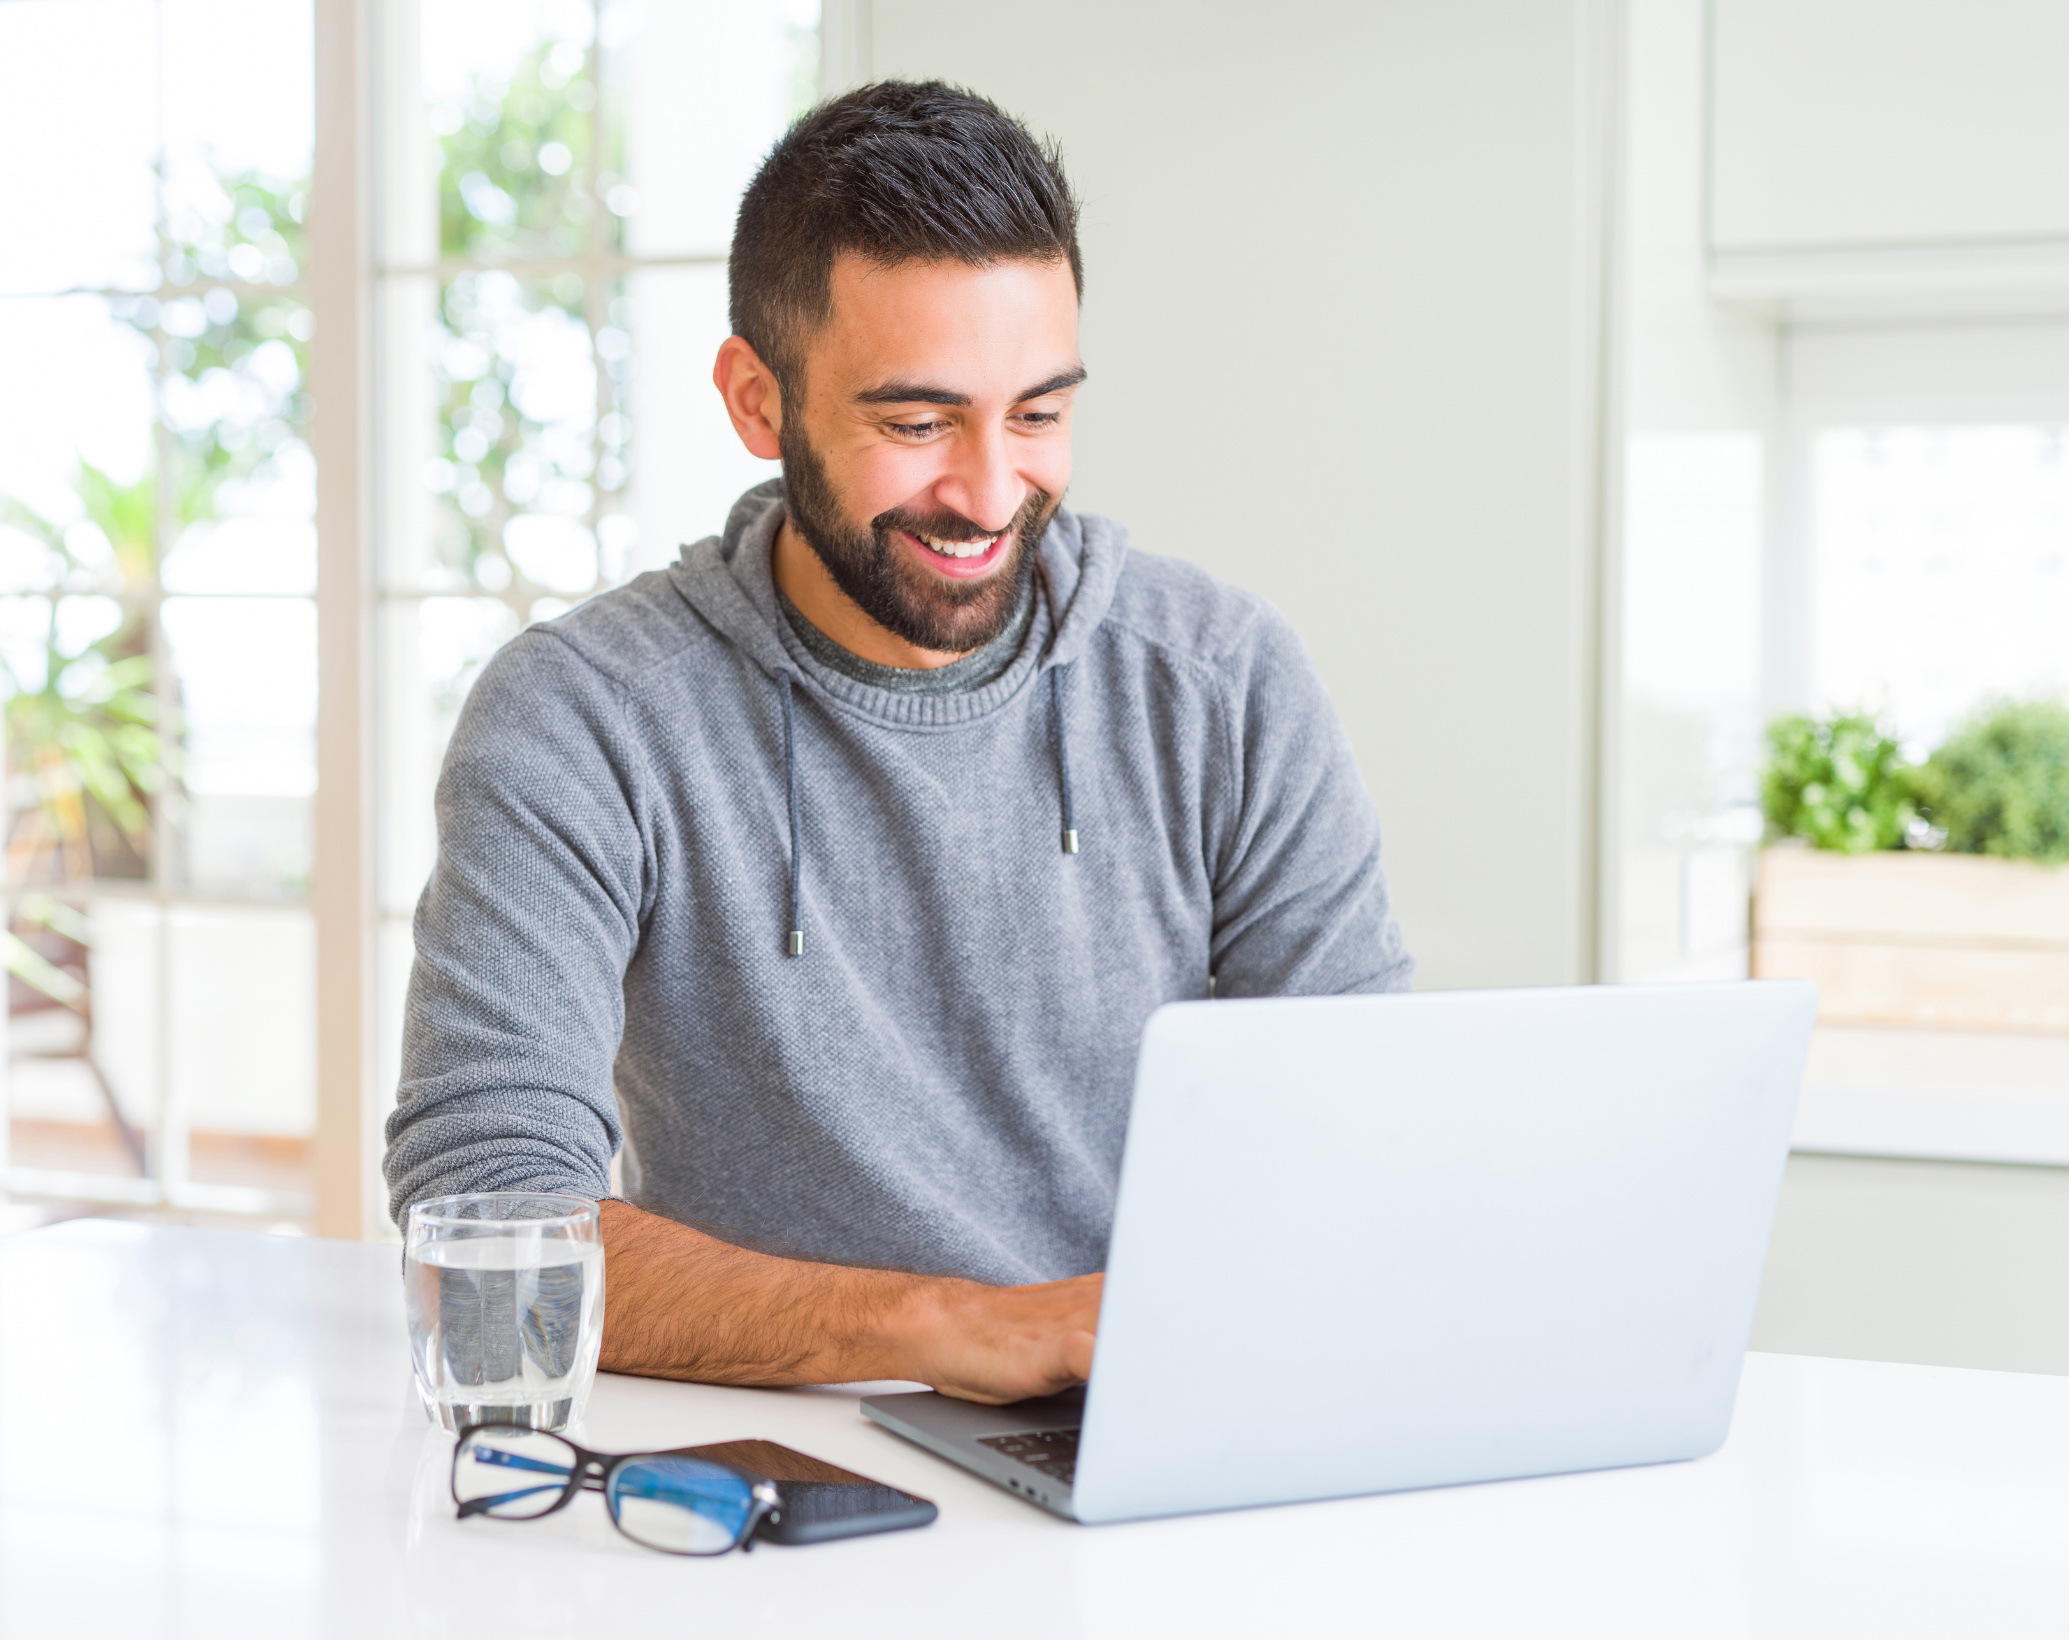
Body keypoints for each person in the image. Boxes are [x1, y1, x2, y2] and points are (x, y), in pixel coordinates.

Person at [385, 80, 1411, 1405]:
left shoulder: (1221, 681)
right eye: (917, 423)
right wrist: (952, 1329)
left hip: (1157, 1426)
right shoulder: (587, 715)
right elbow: (488, 1239)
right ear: (759, 402)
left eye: (1038, 414)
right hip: (766, 1473)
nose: (990, 492)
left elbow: (1361, 1145)